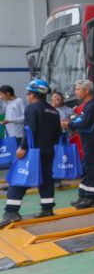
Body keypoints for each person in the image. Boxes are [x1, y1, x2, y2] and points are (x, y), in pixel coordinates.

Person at [0, 80, 62, 227]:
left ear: (33, 94)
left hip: (32, 151)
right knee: (46, 179)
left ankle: (11, 212)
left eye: (28, 93)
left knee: (18, 179)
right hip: (48, 151)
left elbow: (30, 130)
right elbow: (57, 133)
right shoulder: (54, 111)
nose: (27, 96)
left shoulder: (32, 108)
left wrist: (23, 147)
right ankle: (47, 208)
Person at [62, 80, 94, 209]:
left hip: (93, 143)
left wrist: (69, 125)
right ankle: (84, 196)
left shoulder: (93, 105)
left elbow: (85, 123)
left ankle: (91, 198)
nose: (76, 92)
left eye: (78, 89)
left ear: (86, 91)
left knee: (91, 170)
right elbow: (82, 120)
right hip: (88, 144)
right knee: (86, 169)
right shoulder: (88, 105)